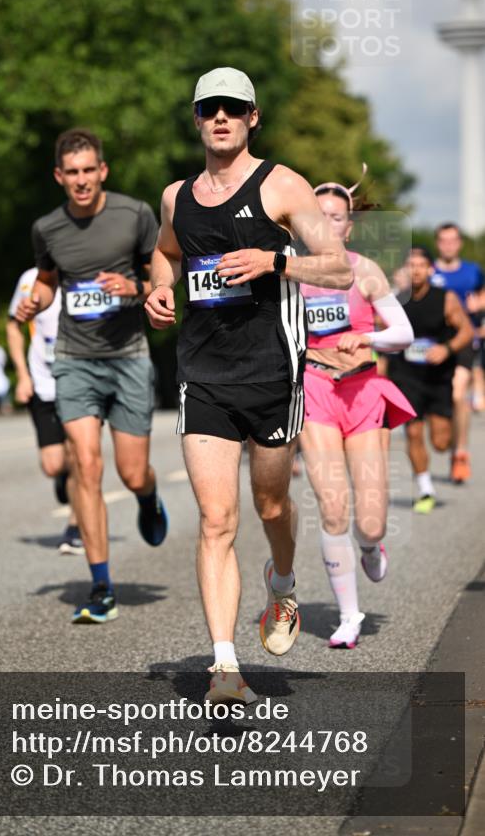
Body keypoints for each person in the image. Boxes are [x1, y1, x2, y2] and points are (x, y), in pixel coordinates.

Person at [145, 67, 353, 703]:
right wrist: (158, 285)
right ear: (197, 116)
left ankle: (283, 583)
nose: (221, 118)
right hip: (203, 373)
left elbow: (339, 269)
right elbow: (166, 252)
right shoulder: (177, 196)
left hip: (272, 373)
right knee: (216, 520)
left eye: (234, 109)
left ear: (253, 117)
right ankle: (225, 666)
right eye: (210, 108)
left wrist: (275, 259)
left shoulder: (281, 185)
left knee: (269, 506)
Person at [16, 127, 167, 625]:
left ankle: (147, 495)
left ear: (102, 171)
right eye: (71, 173)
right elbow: (46, 283)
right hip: (74, 360)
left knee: (130, 471)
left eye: (89, 171)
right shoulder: (48, 228)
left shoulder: (135, 215)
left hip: (127, 356)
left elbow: (162, 276)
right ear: (59, 176)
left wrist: (133, 286)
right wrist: (32, 302)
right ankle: (102, 586)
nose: (81, 181)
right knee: (85, 464)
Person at [298, 172, 416, 649]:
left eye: (336, 219)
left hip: (363, 390)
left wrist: (365, 337)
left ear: (348, 227)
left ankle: (370, 545)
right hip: (316, 388)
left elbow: (403, 333)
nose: (327, 226)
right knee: (332, 506)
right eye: (318, 218)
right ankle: (348, 616)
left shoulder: (365, 271)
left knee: (370, 521)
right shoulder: (293, 273)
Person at [386, 248, 473, 513]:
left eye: (421, 265)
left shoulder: (445, 299)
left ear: (430, 270)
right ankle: (425, 490)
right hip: (406, 376)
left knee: (439, 442)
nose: (416, 270)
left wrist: (446, 349)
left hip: (438, 378)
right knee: (413, 431)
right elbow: (378, 328)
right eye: (411, 265)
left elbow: (467, 331)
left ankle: (455, 449)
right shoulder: (395, 300)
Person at [7, 271, 83, 555]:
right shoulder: (28, 279)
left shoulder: (87, 270)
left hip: (82, 382)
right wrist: (22, 376)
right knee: (53, 465)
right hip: (43, 382)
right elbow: (14, 326)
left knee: (79, 455)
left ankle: (75, 526)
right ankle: (64, 477)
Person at [431, 223, 485, 483]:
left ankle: (461, 452)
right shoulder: (429, 271)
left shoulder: (473, 271)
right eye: (444, 240)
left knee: (457, 392)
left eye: (453, 240)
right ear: (437, 243)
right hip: (434, 346)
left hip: (465, 340)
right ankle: (447, 441)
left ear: (460, 243)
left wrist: (480, 305)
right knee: (437, 401)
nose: (449, 245)